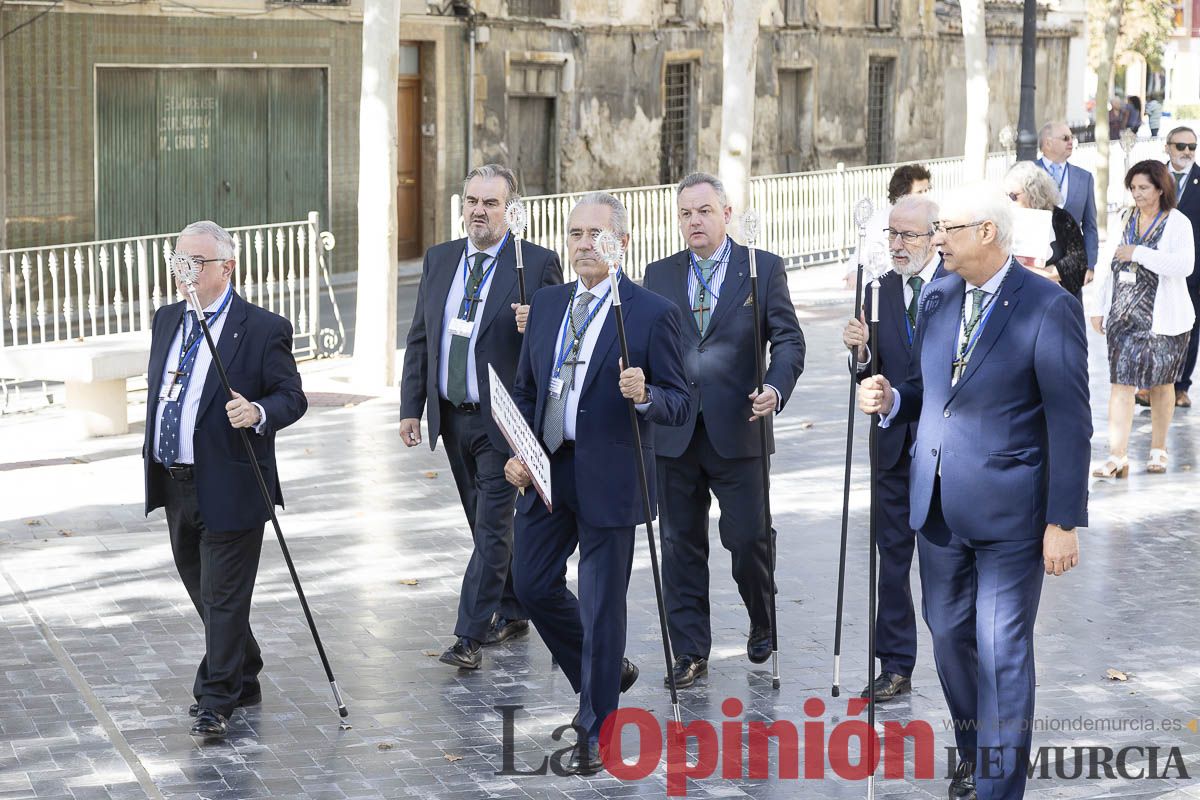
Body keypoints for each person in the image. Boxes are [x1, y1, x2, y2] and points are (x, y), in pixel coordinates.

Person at [858, 184, 1091, 800]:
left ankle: (998, 786)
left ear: (986, 232)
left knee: (1002, 649)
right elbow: (928, 391)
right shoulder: (937, 296)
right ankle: (973, 751)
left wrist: (1063, 520)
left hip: (1013, 512)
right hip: (935, 505)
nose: (936, 241)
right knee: (947, 635)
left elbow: (1070, 419)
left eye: (947, 231)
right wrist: (890, 401)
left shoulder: (1047, 306)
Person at [505, 192, 690, 775]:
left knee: (604, 604)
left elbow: (683, 402)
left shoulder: (650, 313)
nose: (584, 244)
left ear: (623, 243)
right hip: (548, 469)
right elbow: (529, 388)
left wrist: (648, 396)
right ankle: (604, 671)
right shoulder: (548, 302)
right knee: (530, 582)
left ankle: (596, 729)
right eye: (576, 233)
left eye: (596, 235)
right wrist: (520, 450)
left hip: (612, 474)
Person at [143, 220, 308, 741]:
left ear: (226, 268)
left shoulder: (261, 328)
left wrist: (258, 410)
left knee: (224, 594)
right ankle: (244, 667)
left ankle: (216, 700)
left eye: (194, 263)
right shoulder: (167, 319)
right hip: (175, 479)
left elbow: (292, 396)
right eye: (177, 261)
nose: (182, 273)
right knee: (201, 585)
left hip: (233, 482)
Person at [642, 173, 806, 689]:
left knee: (747, 538)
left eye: (705, 211)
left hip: (740, 428)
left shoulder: (761, 269)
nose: (695, 221)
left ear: (726, 214)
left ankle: (762, 616)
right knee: (680, 544)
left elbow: (789, 341)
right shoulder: (659, 274)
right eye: (686, 213)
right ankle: (690, 650)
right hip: (674, 431)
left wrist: (774, 390)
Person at [399, 164, 563, 670]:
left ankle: (469, 635)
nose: (478, 211)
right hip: (453, 415)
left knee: (494, 524)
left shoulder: (533, 264)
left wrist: (536, 321)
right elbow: (422, 336)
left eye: (491, 203)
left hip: (504, 419)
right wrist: (411, 407)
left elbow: (560, 341)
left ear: (510, 210)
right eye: (472, 200)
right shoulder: (441, 259)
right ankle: (512, 609)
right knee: (480, 521)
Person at [841, 194, 944, 703]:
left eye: (908, 235)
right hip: (889, 442)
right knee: (891, 558)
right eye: (892, 235)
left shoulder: (955, 285)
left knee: (944, 559)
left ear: (933, 236)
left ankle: (957, 653)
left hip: (944, 447)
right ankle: (895, 662)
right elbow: (868, 371)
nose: (898, 245)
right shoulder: (877, 290)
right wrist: (860, 351)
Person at [1090, 160, 1195, 478]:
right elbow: (1107, 263)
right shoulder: (1125, 218)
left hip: (1163, 319)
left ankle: (1158, 450)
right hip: (1124, 316)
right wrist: (1098, 306)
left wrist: (1138, 253)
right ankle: (1117, 457)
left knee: (1162, 384)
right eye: (1133, 188)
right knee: (1120, 384)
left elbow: (1184, 266)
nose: (1136, 193)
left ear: (1161, 189)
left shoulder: (1178, 223)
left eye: (1143, 188)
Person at [1004, 160, 1089, 298]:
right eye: (1006, 195)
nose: (1009, 201)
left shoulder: (1061, 218)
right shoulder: (1005, 221)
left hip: (1054, 297)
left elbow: (1077, 262)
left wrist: (1037, 274)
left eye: (1013, 196)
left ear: (1033, 192)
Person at [846, 164, 932, 287]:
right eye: (920, 192)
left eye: (926, 191)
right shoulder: (876, 222)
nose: (926, 197)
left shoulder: (928, 220)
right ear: (903, 194)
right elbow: (861, 255)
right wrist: (853, 272)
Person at [1164, 126, 1200, 408]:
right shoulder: (1151, 177)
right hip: (1153, 269)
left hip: (1193, 270)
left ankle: (1180, 386)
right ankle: (1152, 384)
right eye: (1181, 146)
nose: (1187, 152)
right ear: (1168, 147)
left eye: (1192, 147)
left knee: (1189, 328)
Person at [1037, 121, 1099, 280]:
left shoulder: (1085, 178)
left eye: (1072, 137)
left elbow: (1090, 226)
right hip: (1037, 268)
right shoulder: (1027, 172)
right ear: (1048, 143)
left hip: (1072, 268)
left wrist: (1090, 265)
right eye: (1065, 138)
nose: (1071, 142)